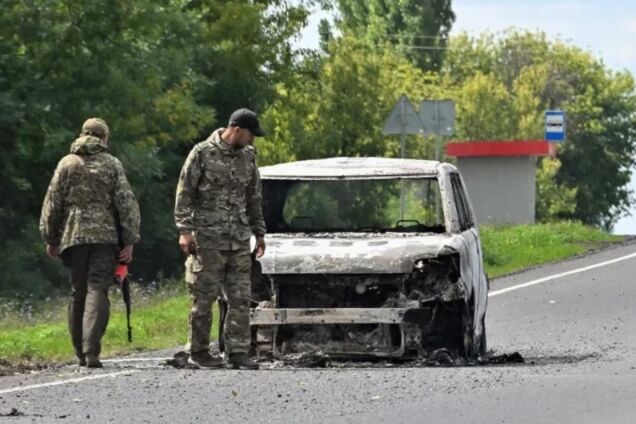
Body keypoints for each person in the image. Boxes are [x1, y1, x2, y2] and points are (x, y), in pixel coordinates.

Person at [40, 118, 141, 368]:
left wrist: (50, 238)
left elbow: (53, 203)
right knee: (98, 288)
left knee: (78, 291)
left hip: (73, 236)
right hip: (105, 238)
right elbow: (126, 204)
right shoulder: (111, 164)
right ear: (104, 138)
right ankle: (92, 350)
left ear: (82, 134)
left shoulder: (67, 163)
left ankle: (80, 353)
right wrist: (129, 240)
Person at [175, 108, 266, 370]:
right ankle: (199, 351)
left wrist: (259, 232)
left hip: (238, 239)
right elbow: (184, 193)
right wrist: (184, 230)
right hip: (207, 239)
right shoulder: (202, 153)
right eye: (250, 134)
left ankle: (238, 351)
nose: (252, 140)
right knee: (203, 298)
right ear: (236, 129)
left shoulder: (248, 157)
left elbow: (254, 198)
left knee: (240, 297)